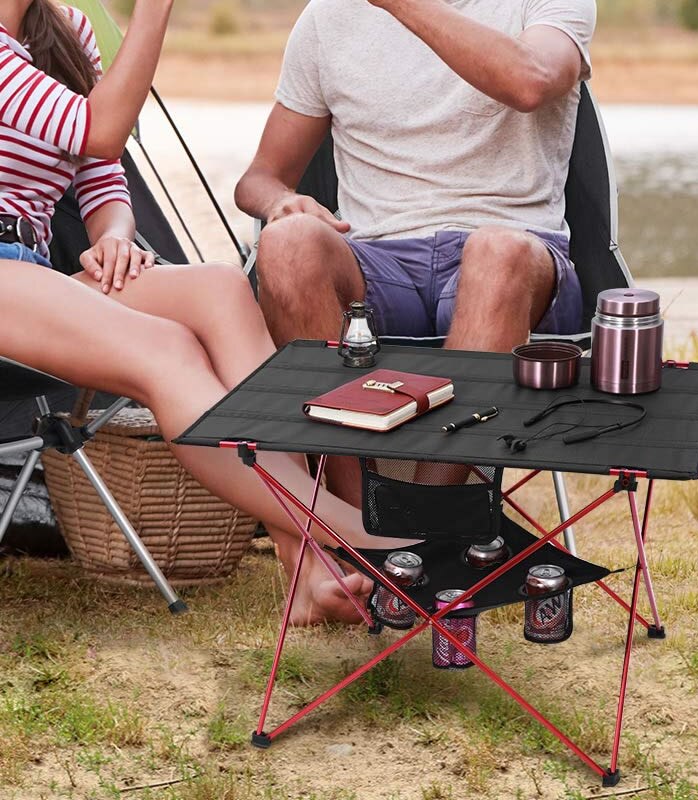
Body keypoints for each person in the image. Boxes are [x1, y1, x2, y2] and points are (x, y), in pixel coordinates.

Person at [0, 0, 417, 626]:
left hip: (27, 266)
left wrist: (113, 232)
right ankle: (369, 536)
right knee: (164, 350)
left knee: (220, 288)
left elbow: (101, 172)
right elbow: (101, 129)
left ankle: (303, 573)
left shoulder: (66, 29)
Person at [235, 0, 596, 506]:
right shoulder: (327, 17)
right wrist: (281, 202)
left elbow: (530, 81)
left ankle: (427, 530)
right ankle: (361, 530)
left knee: (496, 251)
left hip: (513, 255)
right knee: (287, 242)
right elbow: (260, 177)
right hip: (379, 265)